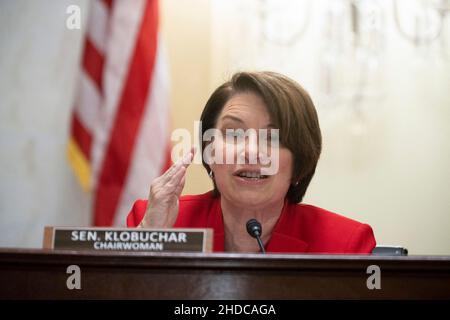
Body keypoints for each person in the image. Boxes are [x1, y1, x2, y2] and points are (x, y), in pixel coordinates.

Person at [127, 71, 376, 253]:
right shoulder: (156, 220)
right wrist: (150, 237)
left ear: (299, 163)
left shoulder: (345, 244)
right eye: (233, 133)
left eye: (271, 137)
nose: (251, 151)